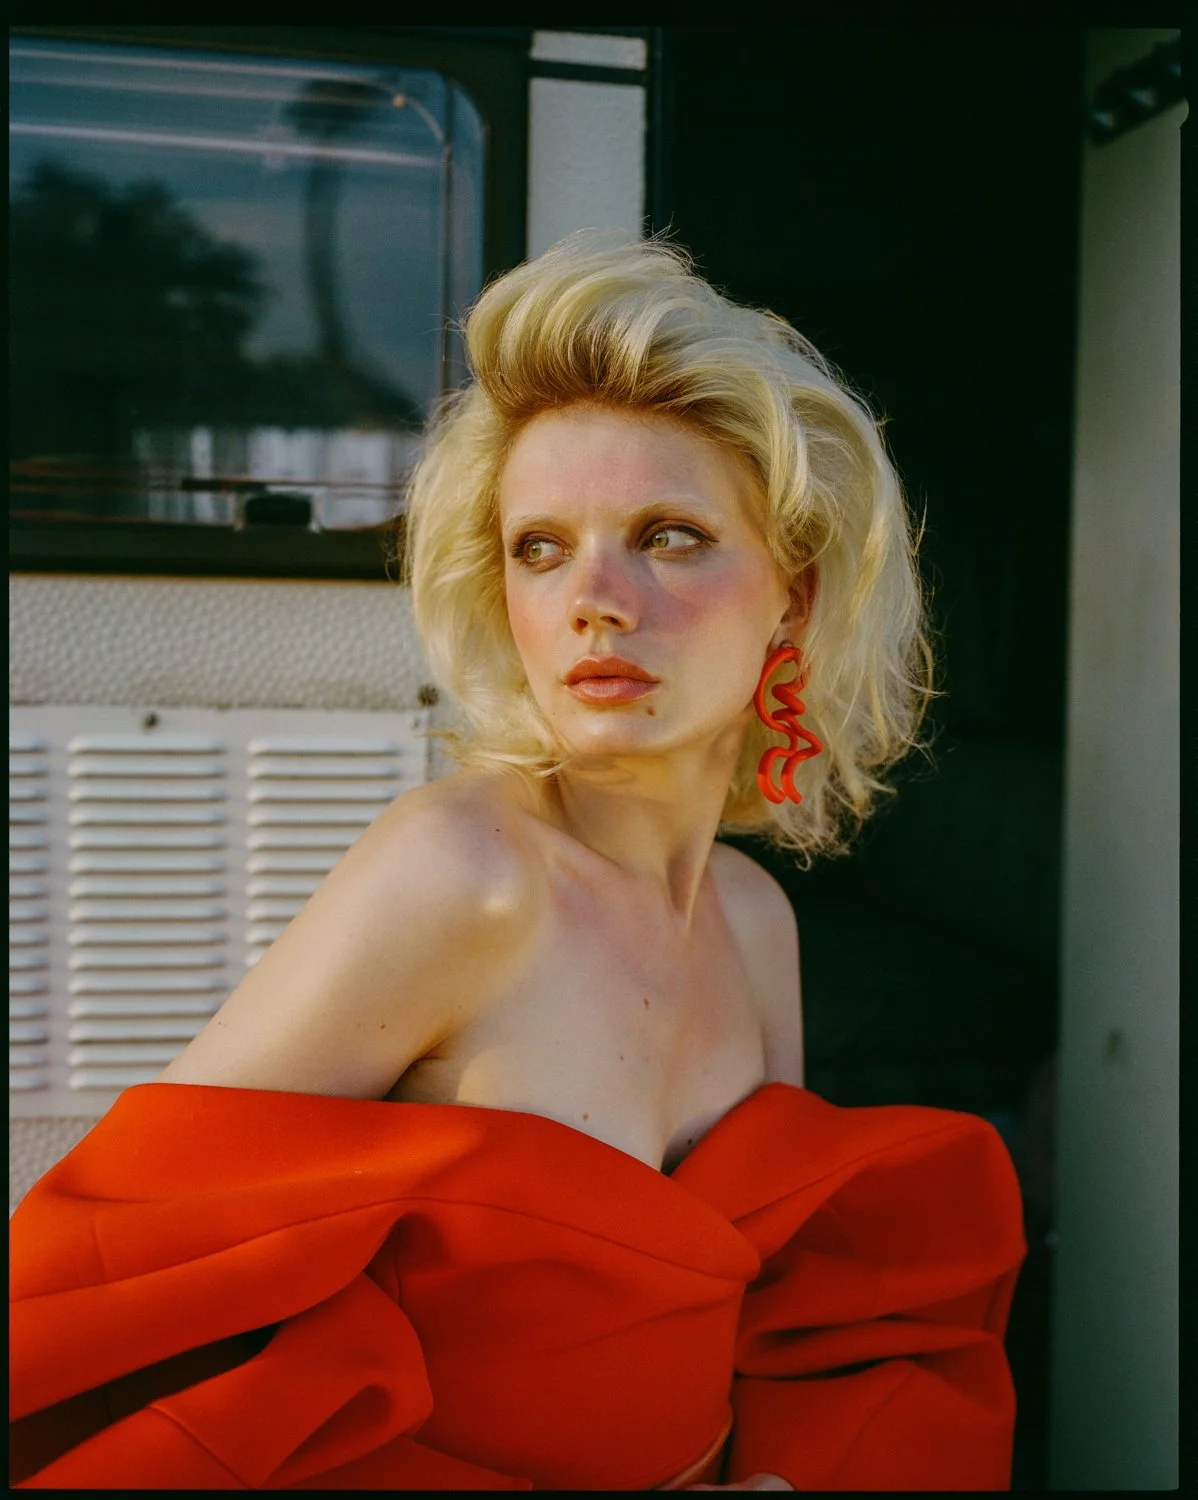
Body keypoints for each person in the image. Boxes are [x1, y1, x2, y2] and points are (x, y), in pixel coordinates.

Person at [9, 231, 1025, 1491]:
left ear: (794, 598)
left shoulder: (756, 919)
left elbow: (753, 1308)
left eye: (667, 535)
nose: (594, 597)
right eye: (540, 548)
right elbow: (106, 1281)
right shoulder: (458, 873)